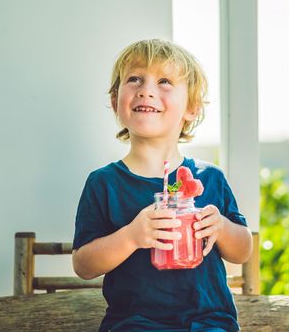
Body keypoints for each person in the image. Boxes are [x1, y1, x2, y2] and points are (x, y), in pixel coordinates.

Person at [72, 39, 253, 332]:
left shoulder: (210, 178)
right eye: (134, 79)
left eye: (165, 81)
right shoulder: (103, 183)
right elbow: (83, 265)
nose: (146, 90)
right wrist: (131, 236)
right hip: (135, 324)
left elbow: (242, 251)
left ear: (191, 108)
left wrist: (220, 227)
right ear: (117, 99)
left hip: (208, 321)